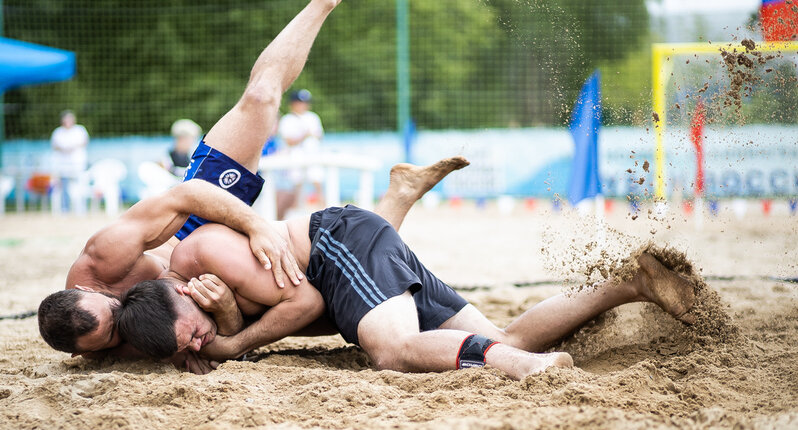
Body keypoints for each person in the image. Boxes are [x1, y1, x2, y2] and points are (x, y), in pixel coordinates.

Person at [37, 0, 348, 367]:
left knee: (261, 97)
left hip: (191, 227)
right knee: (325, 312)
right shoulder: (104, 349)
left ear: (85, 289)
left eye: (111, 307)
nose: (121, 314)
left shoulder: (103, 258)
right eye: (110, 332)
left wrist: (255, 226)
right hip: (208, 287)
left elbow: (187, 194)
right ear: (84, 351)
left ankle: (321, 4)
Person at [116, 201, 697, 380]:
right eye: (190, 348)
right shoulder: (197, 304)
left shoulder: (207, 257)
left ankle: (524, 367)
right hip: (356, 261)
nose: (200, 344)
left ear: (182, 294)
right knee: (501, 334)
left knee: (392, 351)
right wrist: (220, 334)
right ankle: (631, 284)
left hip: (343, 247)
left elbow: (310, 303)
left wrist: (233, 343)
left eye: (193, 335)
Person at [277, 89, 325, 218]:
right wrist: (304, 135)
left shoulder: (313, 117)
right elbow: (289, 140)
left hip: (312, 156)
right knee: (295, 186)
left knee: (317, 181)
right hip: (294, 158)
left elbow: (319, 136)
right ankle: (295, 213)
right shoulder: (287, 120)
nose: (303, 105)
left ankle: (324, 209)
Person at [50, 110, 89, 214]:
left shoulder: (79, 130)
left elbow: (84, 142)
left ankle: (81, 209)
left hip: (77, 165)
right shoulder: (58, 132)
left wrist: (71, 147)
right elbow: (55, 146)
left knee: (80, 187)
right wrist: (65, 148)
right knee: (64, 188)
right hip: (63, 166)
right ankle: (65, 210)